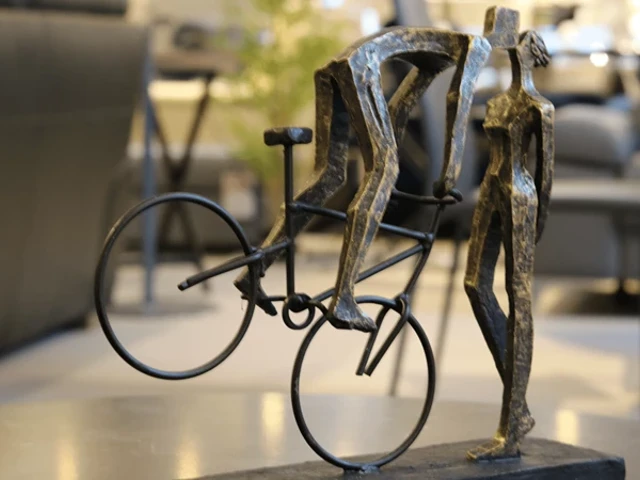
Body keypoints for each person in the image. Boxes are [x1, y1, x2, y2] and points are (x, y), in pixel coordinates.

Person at [235, 7, 520, 333]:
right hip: (359, 65)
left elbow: (403, 101)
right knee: (382, 170)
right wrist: (450, 174)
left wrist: (395, 152)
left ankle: (254, 272)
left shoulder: (440, 52)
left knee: (328, 176)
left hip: (336, 66)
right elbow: (459, 101)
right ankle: (343, 299)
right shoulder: (474, 47)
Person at [463, 30, 554, 461]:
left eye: (526, 43)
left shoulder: (540, 107)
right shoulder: (497, 102)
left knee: (519, 296)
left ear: (533, 55)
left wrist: (539, 221)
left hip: (520, 193)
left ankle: (511, 426)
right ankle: (519, 405)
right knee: (474, 284)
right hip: (490, 187)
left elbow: (546, 172)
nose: (518, 46)